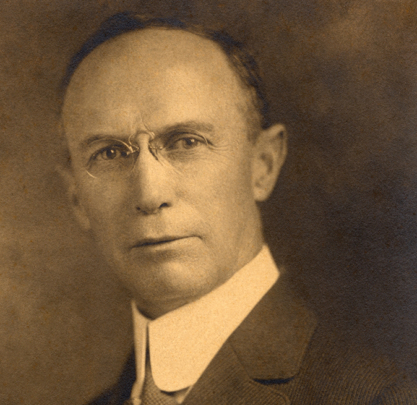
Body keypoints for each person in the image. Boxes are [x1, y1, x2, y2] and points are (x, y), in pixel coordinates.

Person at [59, 12, 417, 405]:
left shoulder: (381, 397)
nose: (149, 193)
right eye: (109, 153)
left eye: (186, 142)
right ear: (77, 197)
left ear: (262, 165)